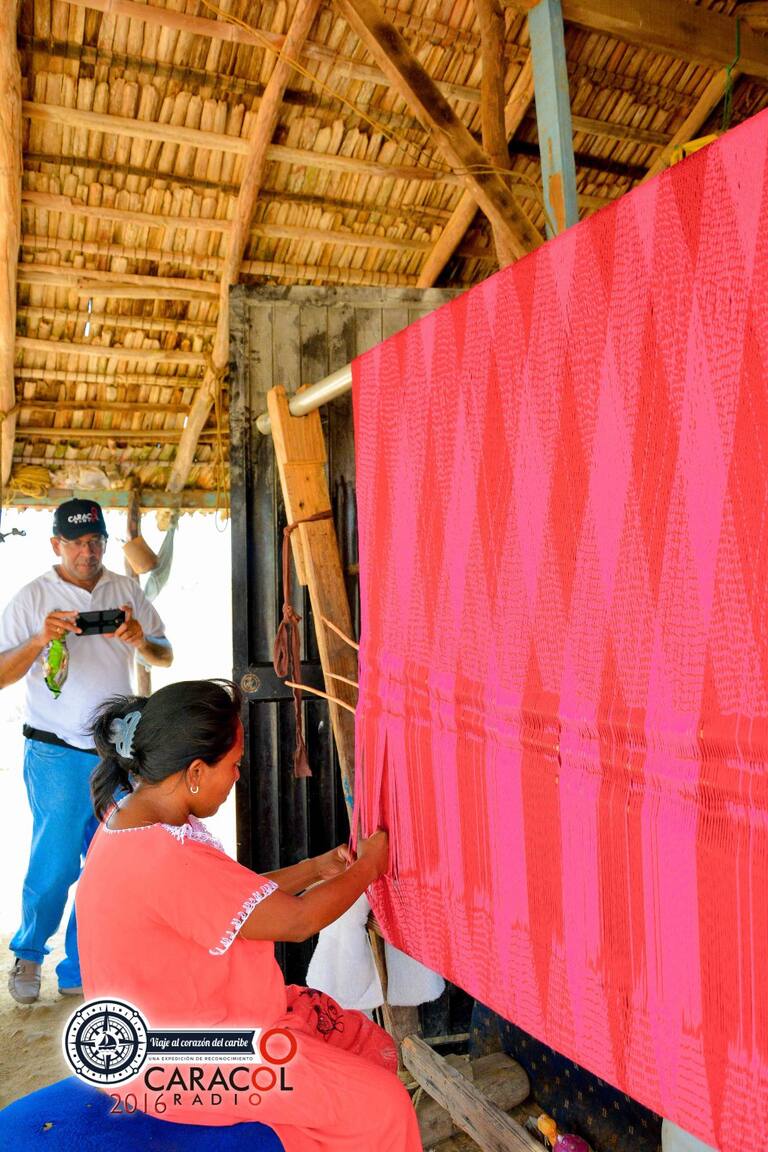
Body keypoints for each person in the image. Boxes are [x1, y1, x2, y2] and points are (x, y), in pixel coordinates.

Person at [77, 679, 422, 1152]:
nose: (238, 775)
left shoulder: (134, 819)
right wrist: (369, 867)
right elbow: (297, 921)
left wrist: (314, 868)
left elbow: (233, 900)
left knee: (357, 1042)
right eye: (234, 764)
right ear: (196, 771)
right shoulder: (167, 857)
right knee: (383, 1104)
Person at [0, 498, 173, 1004]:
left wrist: (140, 639)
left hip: (116, 752)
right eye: (76, 543)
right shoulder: (33, 596)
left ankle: (80, 964)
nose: (87, 552)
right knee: (54, 866)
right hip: (54, 751)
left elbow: (165, 655)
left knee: (108, 863)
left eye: (96, 541)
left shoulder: (124, 589)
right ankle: (29, 953)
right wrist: (41, 638)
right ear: (56, 544)